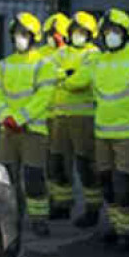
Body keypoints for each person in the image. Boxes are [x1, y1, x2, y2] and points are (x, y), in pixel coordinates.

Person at [65, 9, 129, 250]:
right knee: (107, 181)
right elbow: (76, 81)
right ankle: (115, 225)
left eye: (116, 31)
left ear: (127, 33)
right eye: (108, 31)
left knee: (123, 182)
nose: (111, 35)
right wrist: (60, 73)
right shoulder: (97, 61)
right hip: (103, 134)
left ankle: (127, 233)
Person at [0, 12, 58, 237]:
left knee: (33, 177)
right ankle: (14, 216)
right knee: (8, 176)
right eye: (16, 34)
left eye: (23, 34)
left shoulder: (44, 64)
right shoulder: (3, 65)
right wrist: (6, 117)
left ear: (33, 37)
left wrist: (19, 118)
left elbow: (44, 95)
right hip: (8, 131)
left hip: (33, 131)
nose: (19, 38)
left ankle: (39, 218)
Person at [50, 11, 102, 228]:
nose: (77, 35)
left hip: (84, 118)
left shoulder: (94, 54)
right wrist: (67, 74)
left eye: (82, 32)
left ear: (90, 34)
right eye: (74, 31)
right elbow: (47, 72)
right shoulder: (62, 53)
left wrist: (61, 77)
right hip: (60, 116)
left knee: (86, 165)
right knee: (58, 162)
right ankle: (62, 205)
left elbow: (81, 81)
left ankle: (92, 210)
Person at [40, 13, 71, 216]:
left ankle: (64, 204)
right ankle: (53, 200)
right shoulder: (40, 53)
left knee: (62, 162)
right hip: (44, 116)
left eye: (58, 33)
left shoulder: (72, 53)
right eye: (51, 34)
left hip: (64, 116)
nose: (55, 37)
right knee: (48, 162)